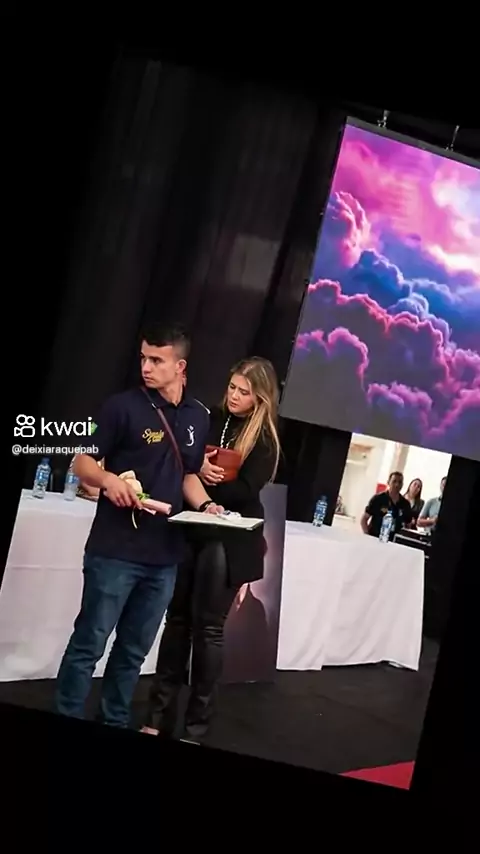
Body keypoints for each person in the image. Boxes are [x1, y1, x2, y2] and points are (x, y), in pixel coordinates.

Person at [53, 323, 219, 728]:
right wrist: (107, 479)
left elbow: (188, 473)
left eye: (157, 360)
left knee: (133, 652)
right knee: (89, 644)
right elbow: (82, 460)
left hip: (164, 557)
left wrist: (207, 505)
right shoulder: (120, 407)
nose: (146, 366)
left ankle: (113, 718)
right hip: (114, 551)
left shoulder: (198, 415)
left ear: (180, 366)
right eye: (144, 358)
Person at [141, 356, 281, 741]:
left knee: (208, 630)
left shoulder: (265, 439)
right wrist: (198, 472)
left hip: (231, 539)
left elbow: (246, 491)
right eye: (232, 387)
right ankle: (157, 716)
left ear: (260, 398)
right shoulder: (209, 418)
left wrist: (208, 481)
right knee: (177, 622)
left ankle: (195, 727)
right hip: (193, 528)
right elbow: (181, 464)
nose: (234, 396)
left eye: (244, 392)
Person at [361, 471, 413, 539]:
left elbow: (408, 525)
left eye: (400, 482)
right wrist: (367, 536)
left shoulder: (405, 504)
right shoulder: (378, 499)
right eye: (394, 481)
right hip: (375, 537)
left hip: (393, 541)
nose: (397, 485)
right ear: (388, 482)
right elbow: (364, 519)